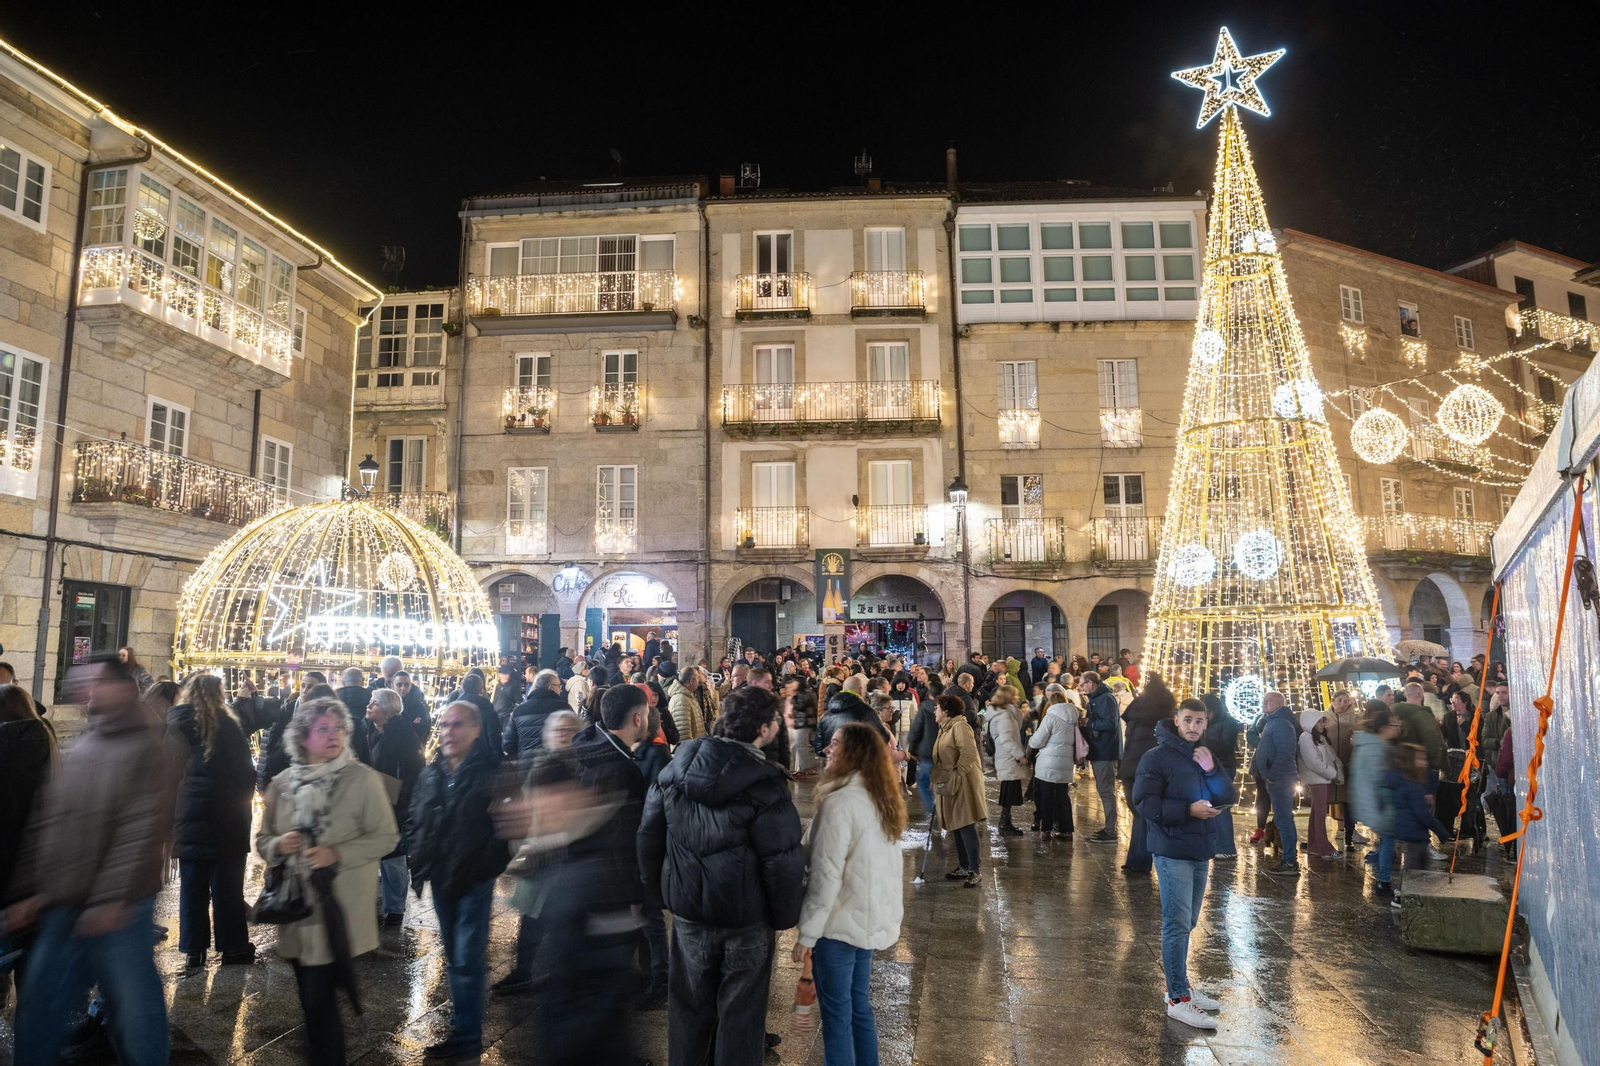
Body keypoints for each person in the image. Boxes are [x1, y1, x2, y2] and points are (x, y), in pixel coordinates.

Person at [7, 655, 176, 1066]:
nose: (88, 691)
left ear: (126, 688)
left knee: (137, 1013)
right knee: (41, 1008)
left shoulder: (150, 747)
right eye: (83, 682)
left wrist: (111, 899)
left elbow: (140, 829)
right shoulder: (81, 745)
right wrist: (30, 891)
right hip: (65, 903)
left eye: (98, 681)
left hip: (121, 910)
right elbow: (50, 822)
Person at [638, 684, 804, 1066]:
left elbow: (648, 837)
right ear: (763, 729)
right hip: (745, 920)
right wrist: (784, 917)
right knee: (741, 1015)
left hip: (689, 913)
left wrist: (660, 894)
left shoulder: (675, 770)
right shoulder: (765, 784)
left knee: (689, 1007)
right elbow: (782, 861)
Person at [256, 696, 398, 1066]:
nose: (334, 735)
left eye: (339, 728)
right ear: (303, 737)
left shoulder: (362, 779)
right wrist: (278, 845)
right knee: (313, 1001)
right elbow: (262, 840)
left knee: (319, 1006)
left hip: (341, 911)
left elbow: (387, 837)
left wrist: (338, 853)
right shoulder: (282, 783)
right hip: (298, 911)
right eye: (323, 729)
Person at [792, 722, 906, 1066]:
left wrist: (807, 934)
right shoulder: (880, 798)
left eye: (836, 744)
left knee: (838, 1018)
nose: (827, 748)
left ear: (852, 754)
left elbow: (825, 877)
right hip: (865, 923)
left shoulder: (839, 803)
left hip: (837, 926)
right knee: (859, 1008)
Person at [407, 702, 510, 1060]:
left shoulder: (491, 771)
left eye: (458, 725)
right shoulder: (431, 772)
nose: (449, 731)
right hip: (441, 876)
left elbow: (506, 830)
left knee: (466, 959)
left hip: (473, 878)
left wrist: (484, 866)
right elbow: (416, 816)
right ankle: (462, 1026)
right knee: (454, 957)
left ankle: (467, 1037)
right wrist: (417, 856)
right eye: (445, 724)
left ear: (476, 730)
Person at [1132, 697, 1236, 1030]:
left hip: (1200, 847)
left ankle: (1182, 986)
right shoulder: (1156, 757)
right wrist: (1187, 811)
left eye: (1199, 721)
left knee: (1188, 921)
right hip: (1171, 848)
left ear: (1206, 723)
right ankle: (1177, 997)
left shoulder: (1204, 755)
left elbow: (1227, 795)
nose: (1193, 727)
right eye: (1188, 720)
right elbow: (1144, 803)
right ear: (1176, 720)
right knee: (1176, 924)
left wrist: (1212, 770)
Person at [167, 675, 257, 968]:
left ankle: (194, 949)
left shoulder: (174, 725)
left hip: (188, 814)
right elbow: (245, 773)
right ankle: (232, 947)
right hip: (227, 818)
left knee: (192, 886)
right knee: (227, 886)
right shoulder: (227, 726)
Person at [492, 710, 582, 997]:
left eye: (568, 729)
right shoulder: (538, 761)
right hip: (538, 853)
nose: (562, 734)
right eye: (557, 729)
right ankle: (524, 973)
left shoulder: (583, 765)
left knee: (562, 920)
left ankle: (561, 976)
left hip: (568, 857)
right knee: (531, 919)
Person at [364, 688, 423, 926]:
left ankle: (395, 908)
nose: (369, 706)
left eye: (374, 703)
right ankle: (374, 904)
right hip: (370, 801)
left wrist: (404, 801)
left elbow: (416, 770)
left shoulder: (404, 734)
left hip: (395, 803)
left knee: (393, 856)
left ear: (388, 710)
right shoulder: (366, 730)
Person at [1385, 743, 1455, 907]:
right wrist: (1442, 832)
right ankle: (1402, 897)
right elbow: (1423, 815)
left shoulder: (1402, 781)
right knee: (1413, 868)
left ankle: (1403, 893)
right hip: (1414, 833)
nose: (1424, 762)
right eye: (1420, 758)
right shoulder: (1413, 786)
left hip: (1405, 830)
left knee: (1415, 866)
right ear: (1411, 762)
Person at [1117, 674, 1173, 874]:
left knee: (1140, 814)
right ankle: (1143, 858)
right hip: (1154, 768)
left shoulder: (1137, 712)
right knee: (1145, 814)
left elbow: (1129, 740)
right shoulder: (1166, 714)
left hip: (1132, 767)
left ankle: (1139, 859)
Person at [931, 694, 987, 886]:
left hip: (962, 783)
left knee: (965, 824)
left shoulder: (960, 726)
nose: (934, 711)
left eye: (937, 708)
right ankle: (964, 866)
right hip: (951, 782)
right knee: (956, 824)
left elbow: (969, 753)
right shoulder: (945, 728)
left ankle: (974, 870)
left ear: (946, 711)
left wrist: (956, 774)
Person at [1350, 703, 1401, 893]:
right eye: (1395, 726)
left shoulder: (1372, 744)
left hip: (1373, 802)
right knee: (1388, 840)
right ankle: (1384, 881)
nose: (1398, 729)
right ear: (1384, 728)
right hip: (1379, 803)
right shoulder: (1376, 748)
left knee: (1386, 840)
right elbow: (1379, 779)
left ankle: (1384, 878)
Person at [1252, 691, 1301, 875]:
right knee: (1283, 817)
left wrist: (1272, 774)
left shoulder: (1280, 723)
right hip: (1278, 777)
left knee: (1283, 818)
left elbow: (1285, 752)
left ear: (1279, 704)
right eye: (1263, 700)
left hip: (1280, 778)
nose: (1264, 703)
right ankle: (1289, 859)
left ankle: (1289, 861)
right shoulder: (1273, 721)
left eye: (1269, 701)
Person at [1027, 687, 1079, 841]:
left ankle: (1047, 830)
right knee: (1063, 796)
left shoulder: (1051, 717)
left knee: (1047, 796)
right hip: (1066, 763)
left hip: (1048, 763)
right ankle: (1066, 830)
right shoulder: (1073, 717)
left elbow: (1038, 740)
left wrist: (1030, 740)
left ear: (1051, 703)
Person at [1081, 672, 1122, 843]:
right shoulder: (1098, 697)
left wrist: (1088, 723)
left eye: (1082, 684)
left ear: (1091, 683)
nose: (1080, 687)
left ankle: (1111, 831)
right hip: (1100, 749)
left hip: (1105, 750)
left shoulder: (1105, 698)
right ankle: (1109, 828)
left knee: (1106, 791)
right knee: (1104, 790)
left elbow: (1110, 723)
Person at [1199, 694, 1241, 858]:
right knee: (1212, 806)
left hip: (1224, 767)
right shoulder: (1209, 723)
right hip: (1210, 767)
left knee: (1221, 808)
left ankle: (1226, 848)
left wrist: (1205, 746)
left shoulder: (1228, 722)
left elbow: (1226, 745)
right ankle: (1217, 845)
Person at [1297, 709, 1342, 858]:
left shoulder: (1317, 737)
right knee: (1320, 813)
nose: (1323, 723)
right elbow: (1314, 762)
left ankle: (1315, 845)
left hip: (1321, 778)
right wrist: (1333, 774)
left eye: (1323, 720)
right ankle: (1324, 848)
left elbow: (1329, 755)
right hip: (1317, 779)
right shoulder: (1306, 738)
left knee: (1317, 812)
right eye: (1320, 721)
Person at [985, 686, 1028, 837]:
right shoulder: (1004, 715)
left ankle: (1006, 822)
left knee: (1009, 790)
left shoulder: (1006, 712)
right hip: (1008, 757)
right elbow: (1006, 739)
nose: (1017, 698)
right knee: (1008, 791)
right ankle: (1004, 823)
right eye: (1015, 695)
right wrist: (1019, 756)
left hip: (1007, 757)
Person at [815, 677, 891, 758]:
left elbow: (819, 748)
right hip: (859, 765)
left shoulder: (826, 715)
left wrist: (834, 756)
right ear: (861, 690)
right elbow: (883, 738)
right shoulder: (867, 712)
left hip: (833, 767)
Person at [504, 669, 567, 764]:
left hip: (526, 766)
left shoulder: (518, 711)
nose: (560, 690)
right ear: (551, 688)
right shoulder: (564, 708)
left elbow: (508, 745)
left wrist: (521, 757)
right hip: (557, 766)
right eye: (559, 686)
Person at [1325, 690, 1362, 850]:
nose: (1342, 704)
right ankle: (1320, 835)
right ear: (1333, 701)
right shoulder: (1325, 718)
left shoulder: (1356, 718)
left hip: (1349, 765)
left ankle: (1349, 835)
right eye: (1339, 700)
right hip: (1329, 766)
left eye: (1345, 700)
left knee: (1348, 802)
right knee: (1326, 800)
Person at [905, 677, 941, 817]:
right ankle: (943, 811)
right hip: (944, 751)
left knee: (924, 782)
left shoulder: (925, 707)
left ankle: (934, 812)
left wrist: (912, 748)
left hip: (927, 752)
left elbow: (916, 729)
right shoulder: (947, 706)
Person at [788, 679, 820, 777]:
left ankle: (802, 769)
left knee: (801, 746)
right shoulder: (809, 693)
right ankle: (802, 768)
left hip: (802, 723)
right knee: (801, 746)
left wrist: (792, 697)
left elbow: (799, 706)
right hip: (806, 723)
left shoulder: (801, 694)